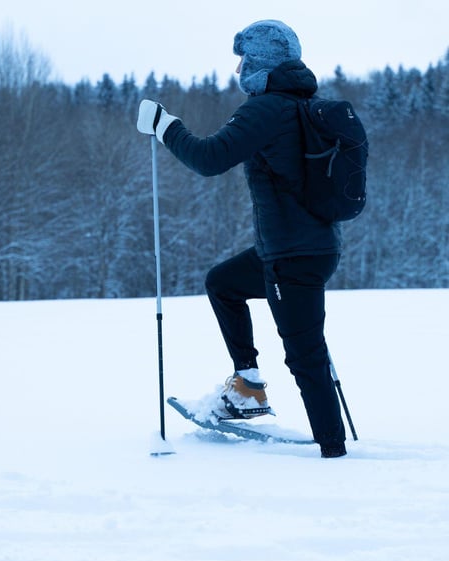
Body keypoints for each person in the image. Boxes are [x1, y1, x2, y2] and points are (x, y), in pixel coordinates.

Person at [136, 19, 347, 458]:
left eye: (245, 60)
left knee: (305, 356)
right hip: (307, 247)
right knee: (224, 283)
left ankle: (334, 453)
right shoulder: (309, 105)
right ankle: (247, 387)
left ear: (262, 61)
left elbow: (210, 158)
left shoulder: (267, 109)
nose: (238, 71)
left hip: (292, 256)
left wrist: (165, 126)